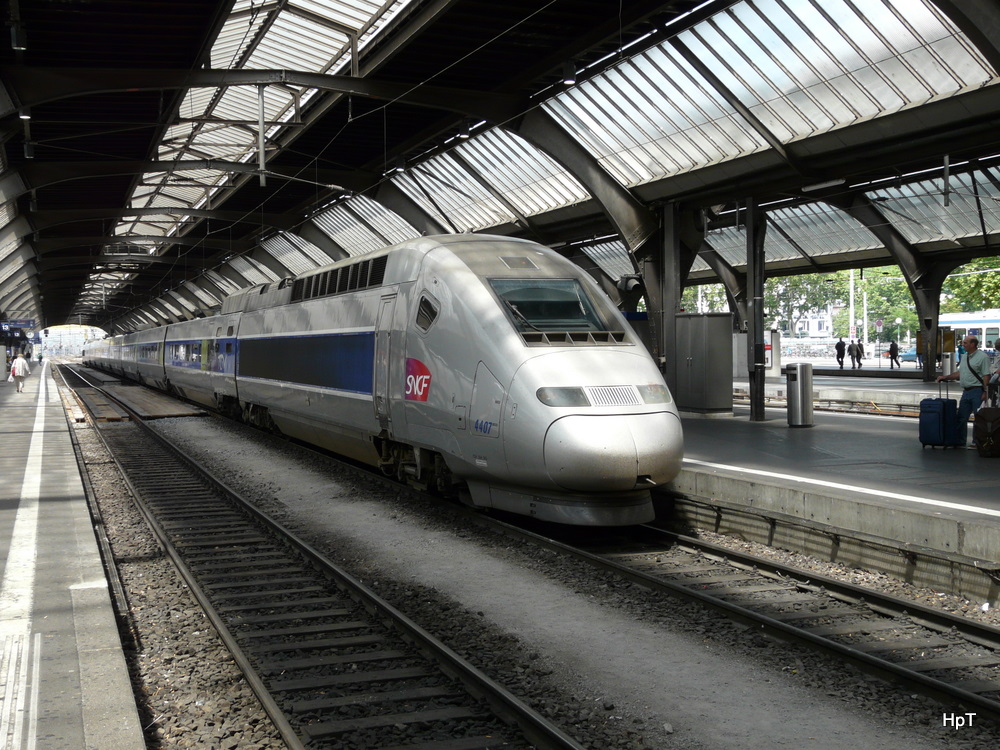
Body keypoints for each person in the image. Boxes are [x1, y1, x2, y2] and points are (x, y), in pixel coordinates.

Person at [937, 335, 991, 448]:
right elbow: (959, 373)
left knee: (979, 418)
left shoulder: (983, 357)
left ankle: (977, 441)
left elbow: (986, 375)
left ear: (973, 344)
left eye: (965, 343)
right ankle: (960, 440)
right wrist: (945, 377)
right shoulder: (965, 356)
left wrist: (985, 392)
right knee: (961, 417)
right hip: (966, 391)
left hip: (978, 391)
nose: (963, 345)